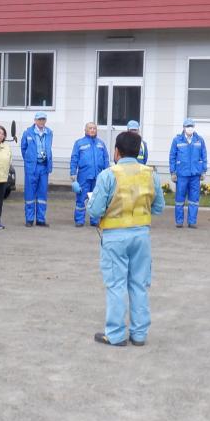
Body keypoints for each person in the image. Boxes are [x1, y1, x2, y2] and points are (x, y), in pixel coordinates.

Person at [86, 131, 165, 347]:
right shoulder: (150, 174)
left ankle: (116, 334)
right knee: (139, 284)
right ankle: (139, 334)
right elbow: (159, 208)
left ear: (117, 152)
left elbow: (95, 211)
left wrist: (87, 201)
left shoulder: (109, 174)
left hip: (115, 237)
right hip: (141, 236)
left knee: (116, 285)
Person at [168, 117, 208, 228]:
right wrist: (173, 172)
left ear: (194, 128)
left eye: (191, 126)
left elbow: (204, 156)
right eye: (188, 126)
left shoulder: (199, 140)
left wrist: (204, 170)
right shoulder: (177, 140)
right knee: (179, 199)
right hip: (181, 174)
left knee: (194, 199)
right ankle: (179, 221)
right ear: (184, 128)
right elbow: (172, 156)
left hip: (195, 174)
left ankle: (192, 222)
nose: (190, 128)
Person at [69, 122, 110, 227]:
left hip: (98, 176)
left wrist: (107, 172)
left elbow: (106, 158)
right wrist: (73, 174)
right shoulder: (79, 143)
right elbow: (74, 158)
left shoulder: (101, 143)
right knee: (81, 197)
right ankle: (79, 220)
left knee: (96, 198)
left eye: (94, 128)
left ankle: (95, 220)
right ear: (85, 130)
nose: (92, 130)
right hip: (84, 175)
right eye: (90, 128)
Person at [20, 111, 53, 226]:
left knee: (42, 194)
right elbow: (23, 149)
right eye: (39, 119)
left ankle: (40, 219)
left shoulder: (49, 132)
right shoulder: (28, 133)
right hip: (32, 167)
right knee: (30, 193)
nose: (41, 122)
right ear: (35, 121)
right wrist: (29, 160)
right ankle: (29, 219)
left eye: (43, 119)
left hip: (44, 166)